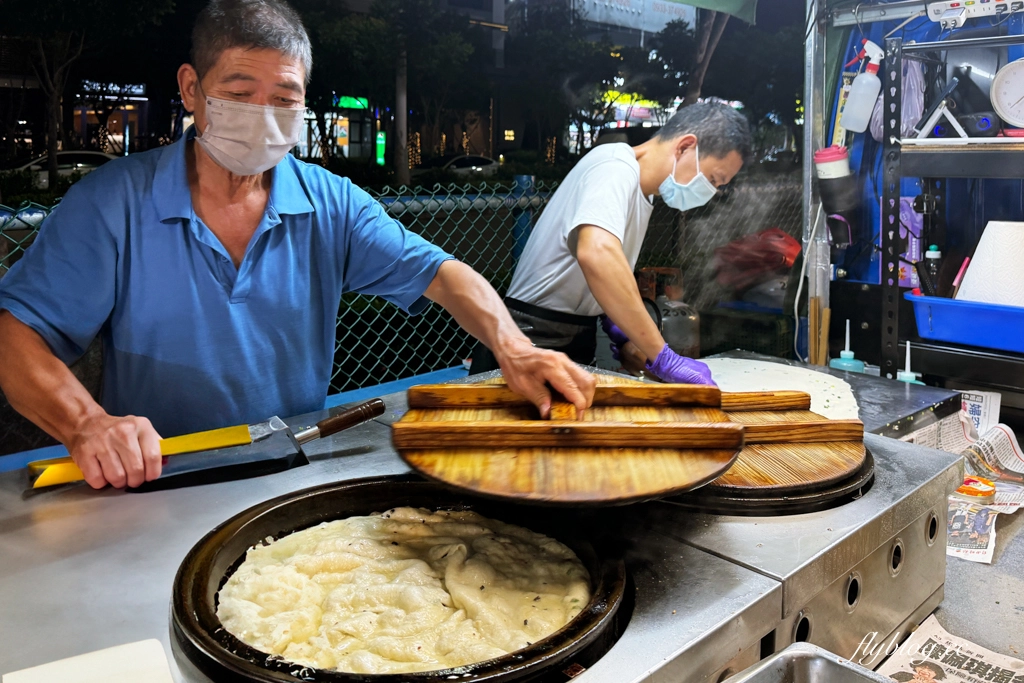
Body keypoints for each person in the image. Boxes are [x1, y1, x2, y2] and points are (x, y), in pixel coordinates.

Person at [0, 0, 595, 491]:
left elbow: (442, 273)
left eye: (284, 99)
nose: (263, 115)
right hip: (153, 478)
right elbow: (15, 335)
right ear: (191, 88)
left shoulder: (330, 202)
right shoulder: (113, 203)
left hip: (292, 466)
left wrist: (513, 348)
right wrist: (87, 425)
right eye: (240, 91)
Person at [470, 103, 752, 385]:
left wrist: (623, 329)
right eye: (713, 179)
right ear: (685, 146)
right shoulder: (614, 167)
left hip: (571, 339)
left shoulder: (641, 192)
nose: (712, 192)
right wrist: (662, 356)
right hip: (528, 340)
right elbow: (596, 254)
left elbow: (599, 268)